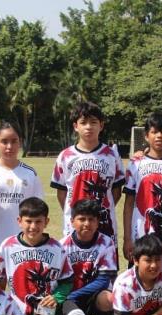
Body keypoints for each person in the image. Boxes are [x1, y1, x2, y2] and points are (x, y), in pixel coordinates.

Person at [51, 101, 125, 246]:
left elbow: (116, 192)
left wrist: (101, 209)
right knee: (73, 266)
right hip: (74, 225)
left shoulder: (112, 155)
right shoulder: (65, 156)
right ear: (75, 126)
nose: (88, 127)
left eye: (93, 122)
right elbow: (62, 193)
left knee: (105, 264)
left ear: (101, 125)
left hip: (104, 223)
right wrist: (75, 212)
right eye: (83, 122)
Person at [61, 199, 119, 315]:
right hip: (73, 300)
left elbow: (103, 280)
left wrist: (74, 295)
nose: (86, 224)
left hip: (94, 296)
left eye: (91, 219)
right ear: (72, 221)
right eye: (82, 219)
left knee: (108, 299)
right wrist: (70, 297)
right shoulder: (62, 245)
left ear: (97, 222)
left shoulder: (106, 242)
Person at [123, 112, 162, 275]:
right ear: (146, 136)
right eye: (154, 132)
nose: (159, 136)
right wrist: (127, 239)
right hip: (141, 238)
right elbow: (129, 204)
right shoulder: (135, 165)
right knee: (137, 287)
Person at [0, 122, 44, 251]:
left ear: (20, 142)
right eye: (4, 141)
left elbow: (39, 212)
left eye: (14, 141)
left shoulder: (30, 174)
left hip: (24, 244)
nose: (9, 146)